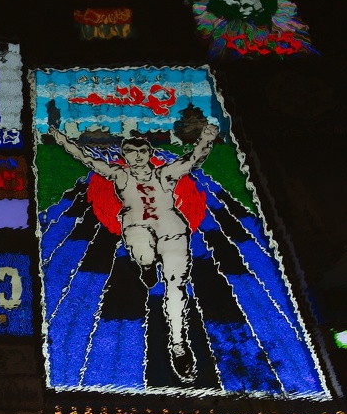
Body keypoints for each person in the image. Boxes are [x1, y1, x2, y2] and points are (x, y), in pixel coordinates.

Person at [49, 124, 219, 382]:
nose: (137, 155)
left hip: (172, 229)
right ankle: (147, 266)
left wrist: (206, 137)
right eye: (131, 150)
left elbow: (193, 159)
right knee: (143, 255)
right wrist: (61, 140)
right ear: (124, 154)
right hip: (137, 227)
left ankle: (179, 345)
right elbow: (86, 158)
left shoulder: (166, 173)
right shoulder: (120, 175)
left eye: (141, 150)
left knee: (176, 286)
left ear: (149, 152)